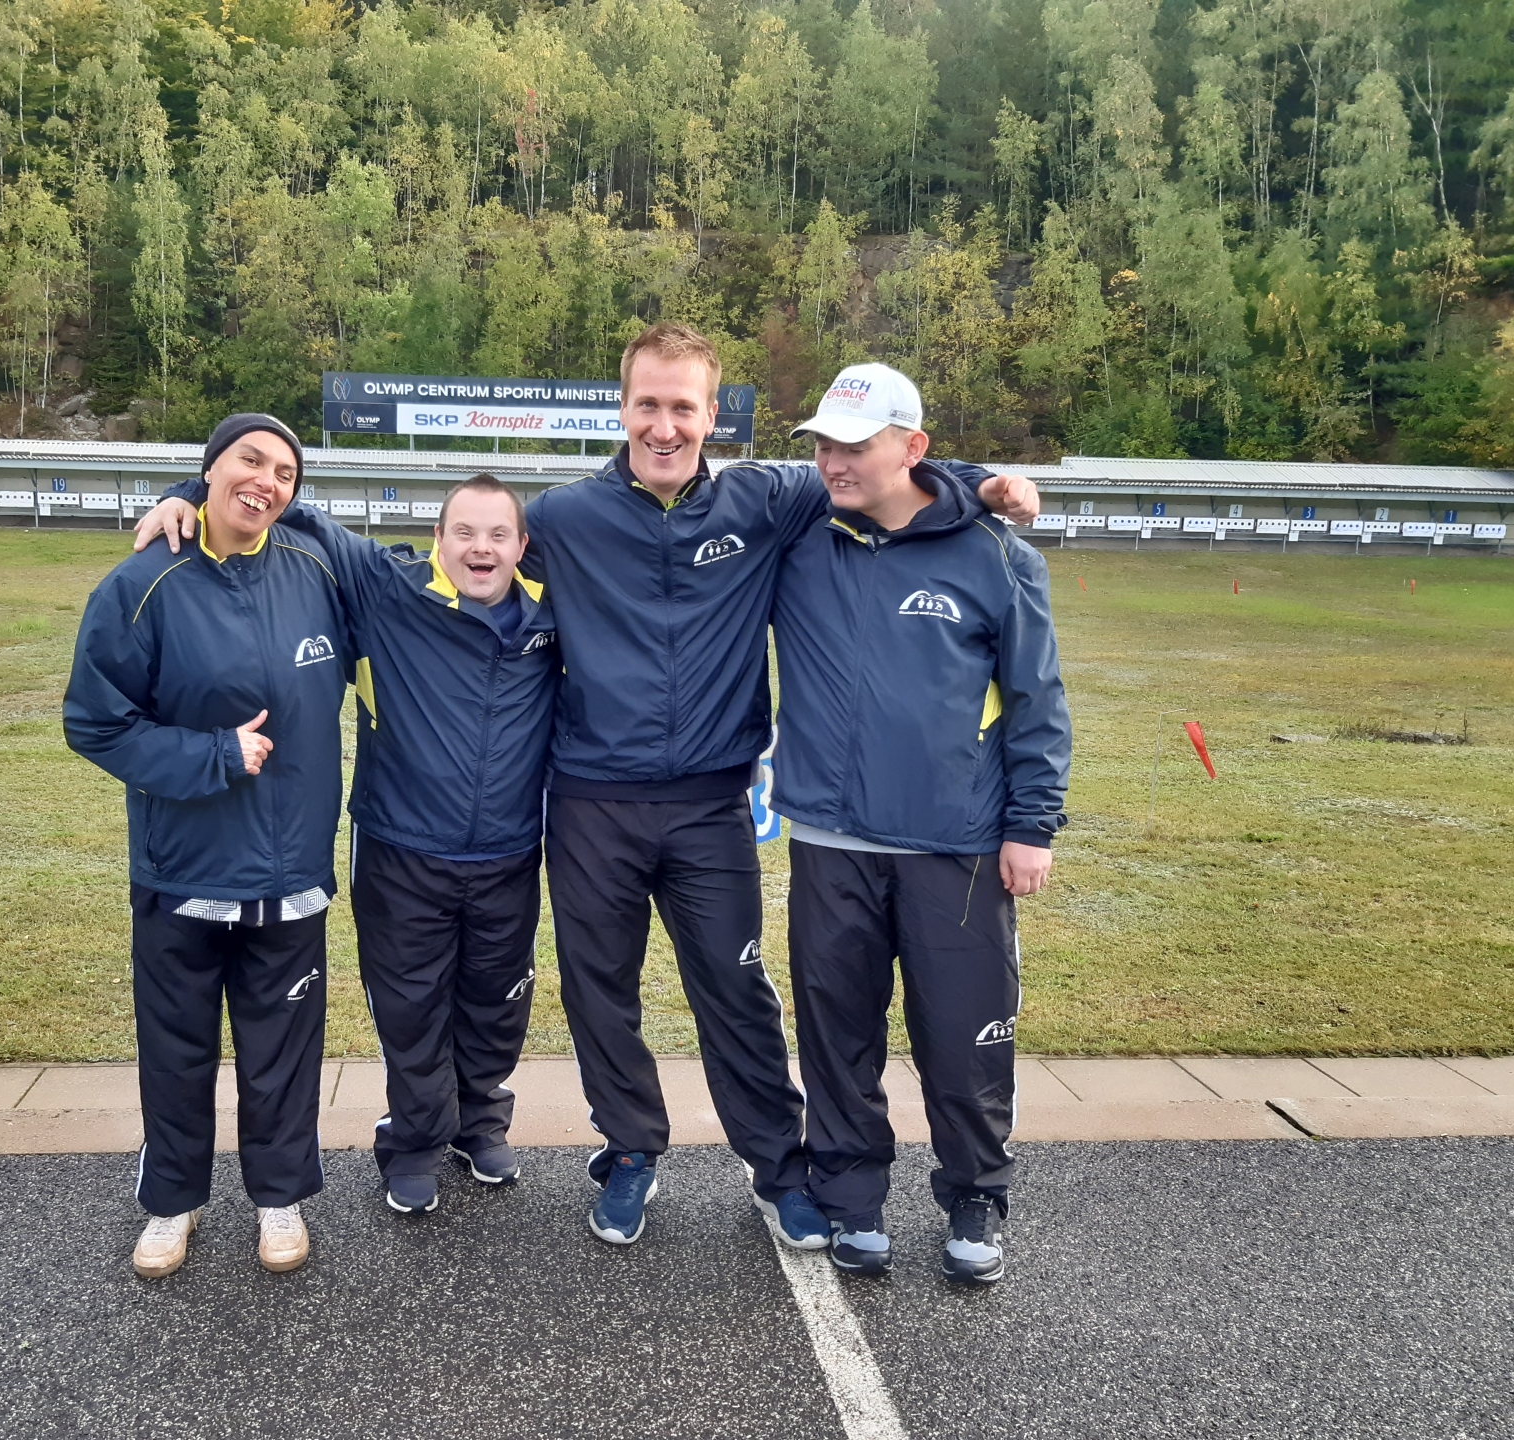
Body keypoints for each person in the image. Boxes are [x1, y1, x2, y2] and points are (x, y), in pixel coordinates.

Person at [134, 325, 1039, 1252]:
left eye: (682, 407)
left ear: (712, 415)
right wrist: (185, 494)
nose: (663, 425)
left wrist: (981, 483)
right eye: (647, 404)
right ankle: (631, 1151)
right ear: (623, 409)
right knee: (601, 994)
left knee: (736, 992)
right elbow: (344, 528)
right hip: (591, 803)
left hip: (711, 805)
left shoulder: (769, 497)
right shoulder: (562, 519)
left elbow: (883, 472)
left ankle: (778, 1167)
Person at [770, 363, 1070, 1283]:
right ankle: (851, 1196)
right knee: (838, 1036)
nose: (833, 462)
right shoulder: (801, 535)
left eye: (855, 446)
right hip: (831, 840)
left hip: (957, 845)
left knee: (963, 1032)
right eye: (823, 445)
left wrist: (1033, 825)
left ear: (912, 447)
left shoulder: (996, 555)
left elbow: (1037, 699)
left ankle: (975, 1193)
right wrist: (983, 476)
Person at [65, 414, 350, 1279]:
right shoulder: (143, 582)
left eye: (285, 473)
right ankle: (172, 1202)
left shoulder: (319, 570)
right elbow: (95, 722)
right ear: (209, 468)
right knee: (177, 1052)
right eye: (249, 461)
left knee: (282, 1057)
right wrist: (212, 755)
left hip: (290, 873)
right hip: (182, 871)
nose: (266, 481)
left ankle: (279, 1197)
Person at [262, 476, 559, 1216]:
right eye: (465, 532)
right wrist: (186, 493)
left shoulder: (555, 613)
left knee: (496, 1001)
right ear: (438, 538)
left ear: (522, 546)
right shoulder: (387, 587)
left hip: (509, 852)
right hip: (401, 847)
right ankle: (416, 1140)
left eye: (498, 535)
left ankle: (478, 1122)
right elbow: (288, 505)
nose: (480, 549)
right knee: (411, 1005)